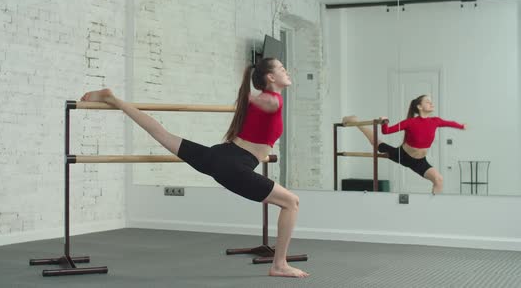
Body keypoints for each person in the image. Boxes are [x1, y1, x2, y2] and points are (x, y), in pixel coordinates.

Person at [80, 58, 309, 278]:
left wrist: (247, 97)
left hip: (217, 155)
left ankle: (114, 100)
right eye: (282, 68)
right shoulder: (272, 100)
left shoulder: (266, 100)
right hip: (234, 166)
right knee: (291, 202)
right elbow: (261, 103)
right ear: (271, 76)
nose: (286, 71)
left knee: (162, 134)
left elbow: (254, 111)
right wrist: (249, 98)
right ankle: (279, 265)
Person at [344, 95, 466, 194]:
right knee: (377, 143)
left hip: (420, 162)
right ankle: (356, 122)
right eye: (428, 102)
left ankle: (433, 208)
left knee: (439, 180)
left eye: (431, 102)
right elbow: (386, 131)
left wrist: (462, 126)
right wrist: (384, 122)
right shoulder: (410, 122)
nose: (431, 103)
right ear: (419, 106)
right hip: (402, 155)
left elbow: (451, 123)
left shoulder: (435, 121)